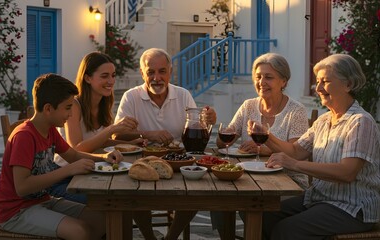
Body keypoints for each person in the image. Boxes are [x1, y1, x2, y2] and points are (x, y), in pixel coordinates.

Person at [260, 54, 380, 239]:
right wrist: (265, 136)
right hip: (320, 199)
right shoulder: (324, 120)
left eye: (325, 81)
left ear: (348, 84)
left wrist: (293, 164)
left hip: (353, 208)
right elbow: (296, 151)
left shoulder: (361, 122)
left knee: (286, 231)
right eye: (318, 82)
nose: (319, 88)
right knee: (262, 215)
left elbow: (346, 172)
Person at [0, 73, 124, 239]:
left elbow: (73, 155)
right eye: (68, 107)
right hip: (17, 211)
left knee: (105, 219)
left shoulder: (50, 130)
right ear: (48, 109)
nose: (71, 114)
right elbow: (22, 187)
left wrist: (104, 158)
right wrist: (68, 170)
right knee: (79, 231)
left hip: (42, 200)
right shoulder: (24, 136)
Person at [114, 48, 217, 240]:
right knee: (131, 195)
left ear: (170, 72)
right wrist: (149, 134)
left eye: (162, 71)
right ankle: (149, 237)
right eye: (150, 72)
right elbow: (117, 134)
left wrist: (209, 120)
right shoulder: (131, 96)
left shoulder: (183, 94)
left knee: (197, 193)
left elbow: (197, 127)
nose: (156, 78)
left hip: (179, 163)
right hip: (143, 162)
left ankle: (171, 237)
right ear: (142, 72)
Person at [211, 52, 310, 238]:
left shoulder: (296, 111)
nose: (262, 82)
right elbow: (222, 141)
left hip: (288, 182)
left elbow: (296, 152)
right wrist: (225, 137)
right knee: (218, 198)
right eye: (258, 77)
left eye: (269, 77)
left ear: (284, 81)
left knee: (251, 204)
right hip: (249, 177)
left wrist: (264, 148)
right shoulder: (249, 106)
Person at [49, 52, 144, 203]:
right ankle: (110, 227)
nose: (111, 81)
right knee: (112, 201)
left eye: (113, 75)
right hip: (66, 177)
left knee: (129, 193)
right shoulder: (73, 105)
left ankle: (125, 227)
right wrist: (111, 129)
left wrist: (131, 145)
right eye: (105, 76)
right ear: (87, 78)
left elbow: (100, 141)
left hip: (89, 171)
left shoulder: (103, 104)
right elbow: (77, 148)